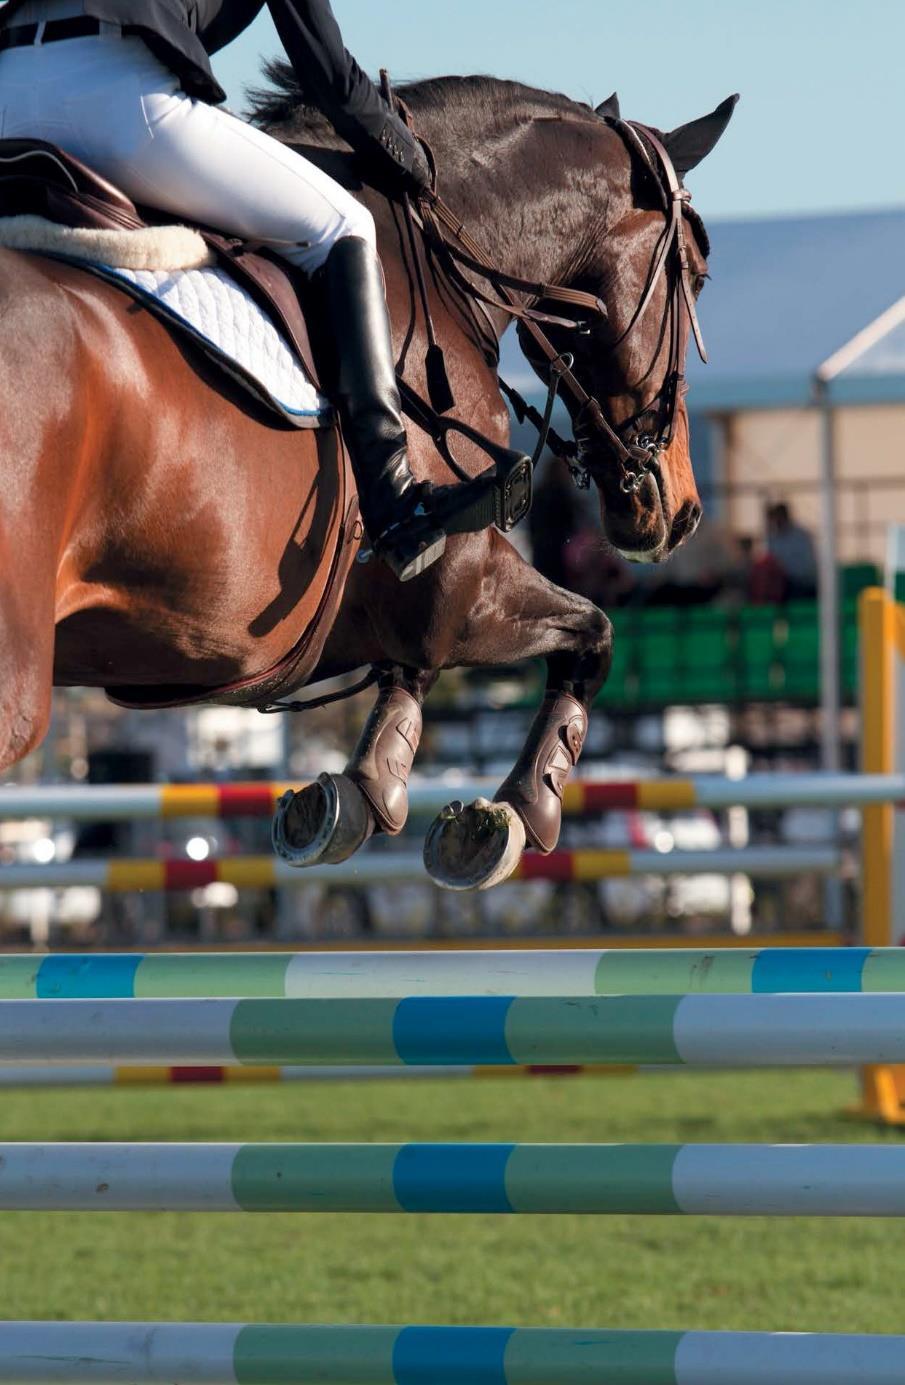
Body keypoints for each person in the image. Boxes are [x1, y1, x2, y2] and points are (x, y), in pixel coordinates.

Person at [0, 0, 492, 580]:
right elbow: (327, 72)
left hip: (8, 89)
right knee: (344, 227)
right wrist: (405, 154)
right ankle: (393, 500)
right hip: (116, 93)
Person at [765, 502, 817, 601]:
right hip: (783, 585)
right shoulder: (772, 538)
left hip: (801, 584)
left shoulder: (801, 536)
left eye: (779, 519)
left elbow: (805, 567)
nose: (777, 522)